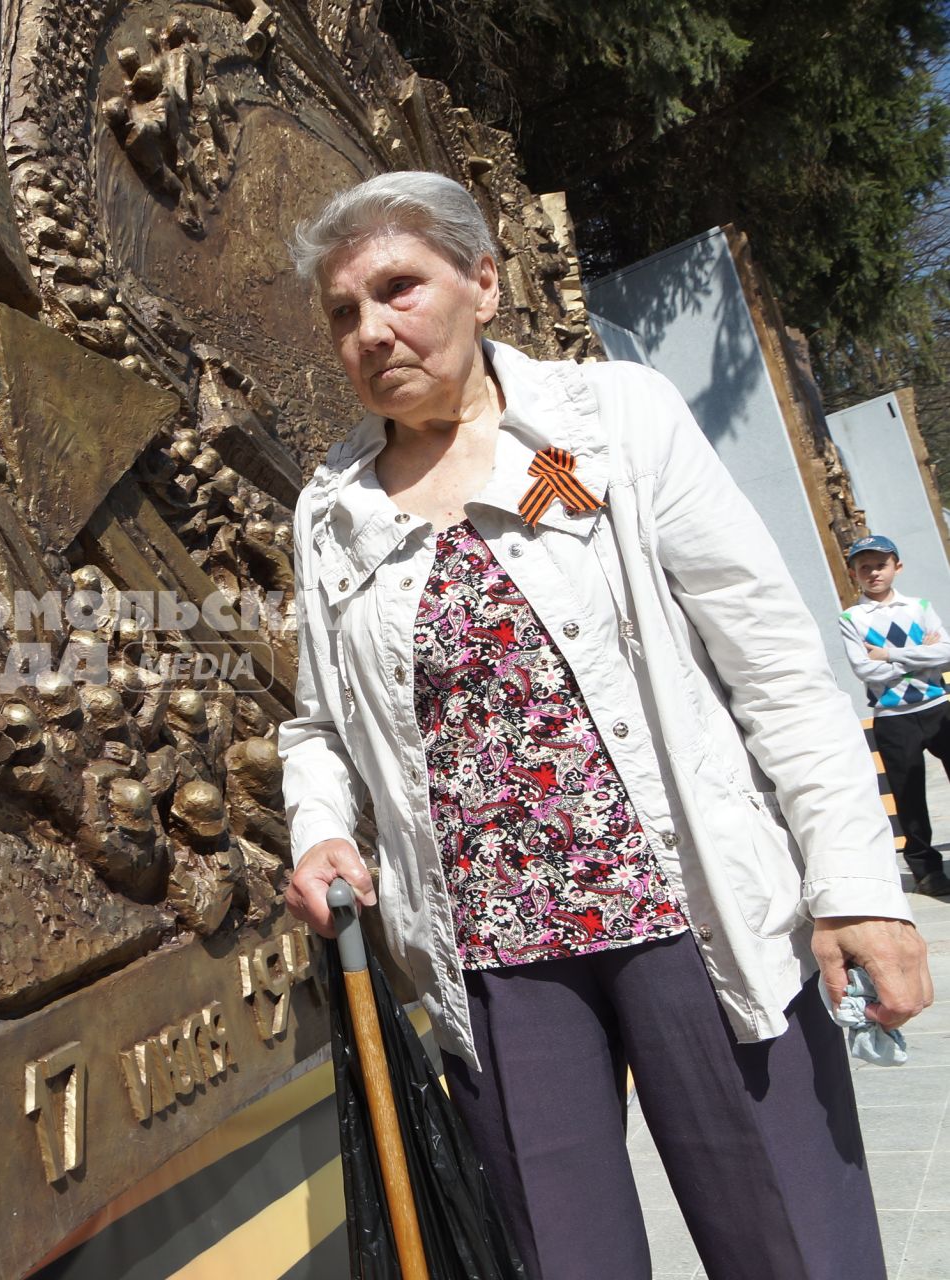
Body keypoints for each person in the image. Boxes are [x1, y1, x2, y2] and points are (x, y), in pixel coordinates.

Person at [278, 170, 931, 1280]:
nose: (370, 329)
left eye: (398, 288)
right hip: (495, 959)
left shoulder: (609, 420)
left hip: (690, 915)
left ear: (481, 282)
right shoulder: (332, 506)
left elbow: (770, 660)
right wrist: (317, 830)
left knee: (793, 1244)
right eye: (342, 312)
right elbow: (317, 727)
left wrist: (857, 888)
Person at [841, 533, 950, 896]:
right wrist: (920, 654)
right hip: (892, 716)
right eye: (865, 567)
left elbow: (946, 654)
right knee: (908, 796)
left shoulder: (919, 606)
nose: (874, 573)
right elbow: (863, 671)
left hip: (938, 706)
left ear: (896, 567)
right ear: (854, 573)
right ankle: (926, 871)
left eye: (881, 565)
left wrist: (889, 656)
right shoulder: (851, 618)